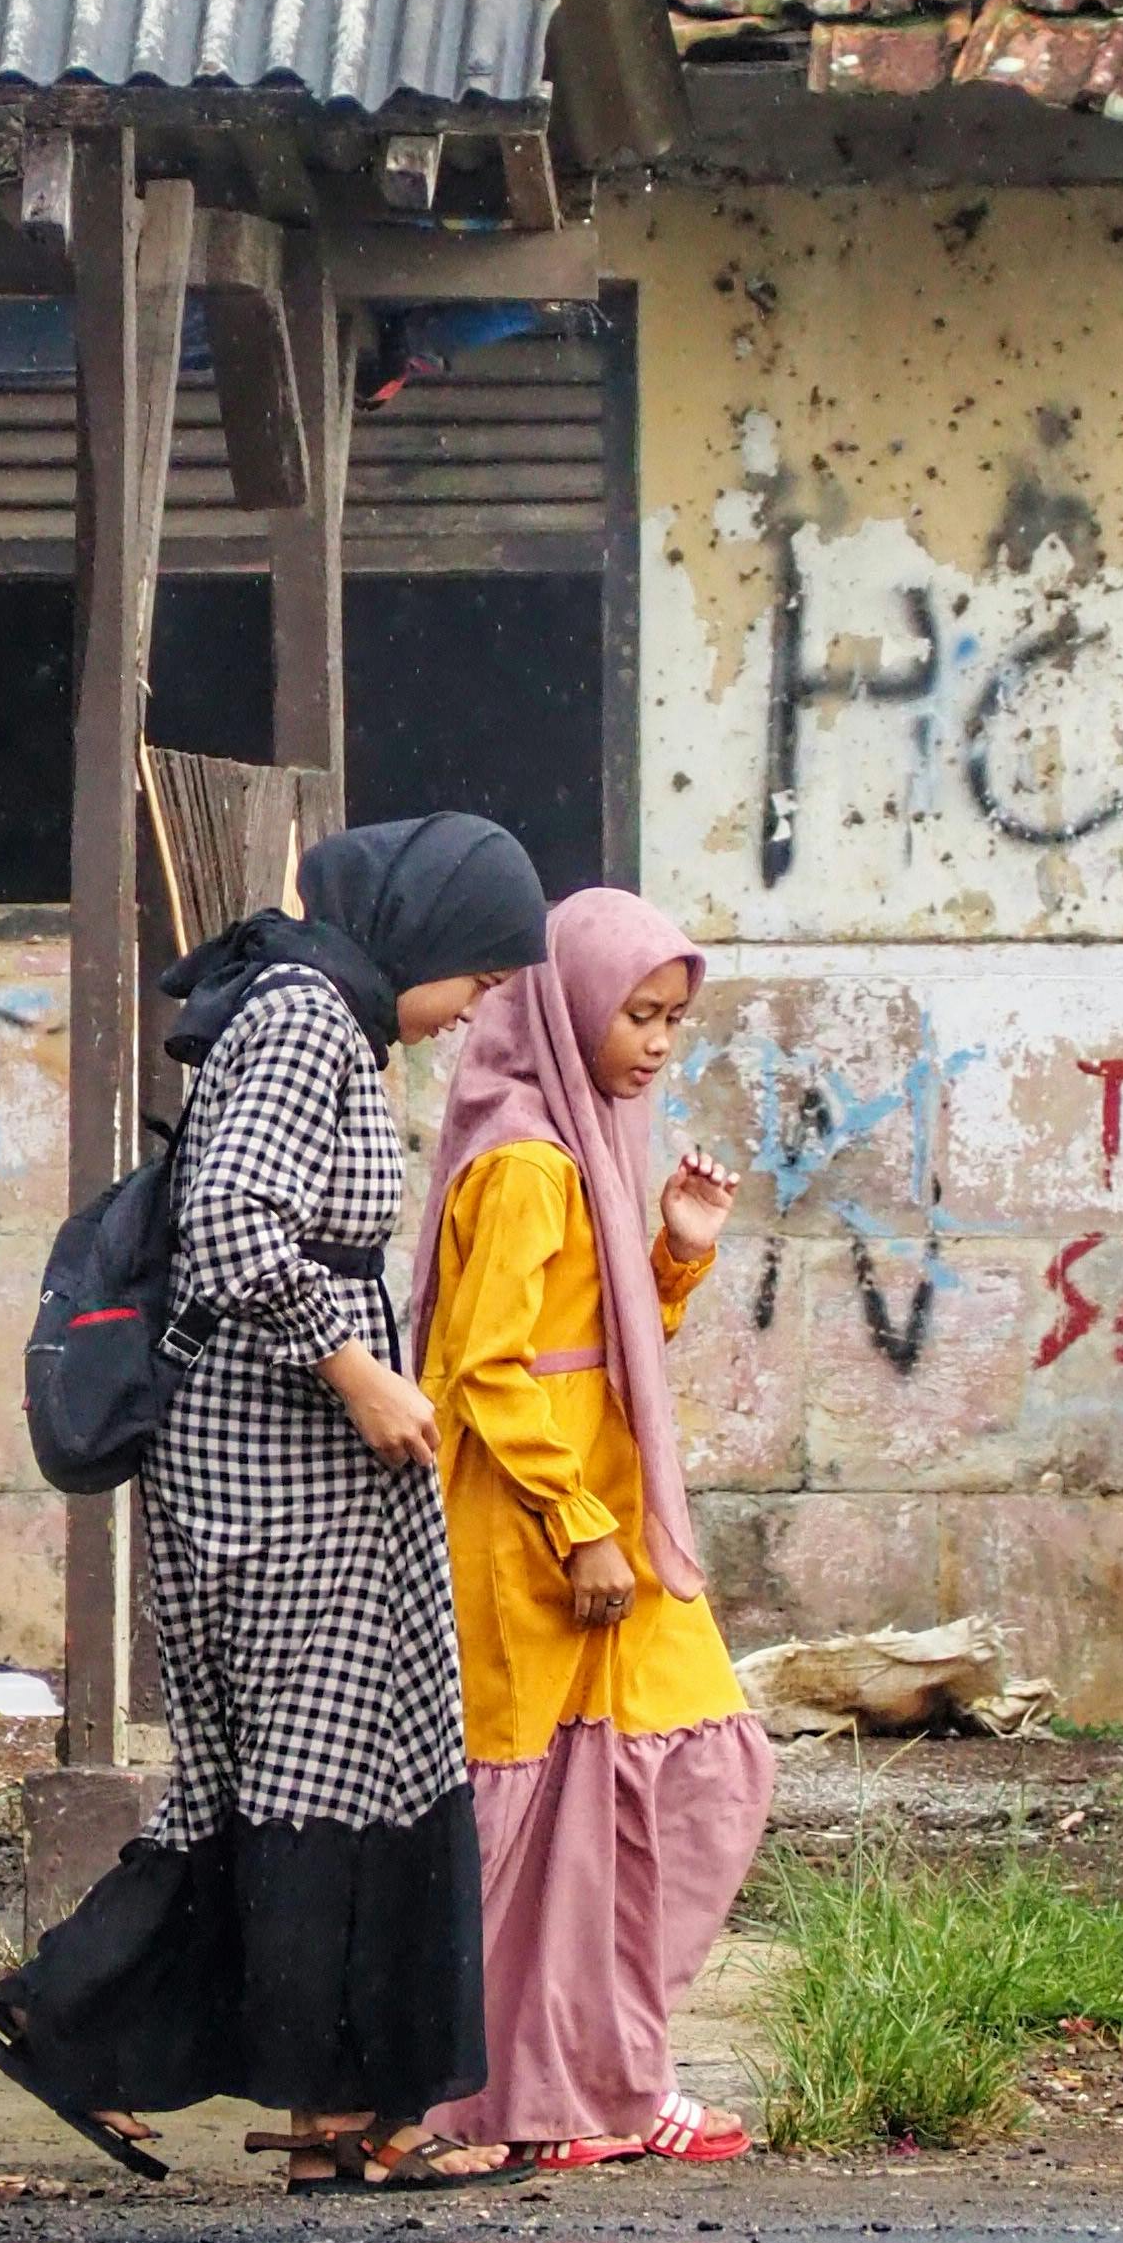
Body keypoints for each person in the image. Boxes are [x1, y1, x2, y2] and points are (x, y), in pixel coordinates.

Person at [0, 813, 552, 2192]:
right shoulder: (306, 1020)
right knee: (315, 1788)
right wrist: (356, 1373)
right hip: (275, 1478)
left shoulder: (325, 1017)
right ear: (422, 932)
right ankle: (314, 2113)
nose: (480, 1008)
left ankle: (206, 2075)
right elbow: (236, 1217)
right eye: (479, 974)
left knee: (293, 1788)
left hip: (279, 1476)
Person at [412, 887, 773, 2169]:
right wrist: (577, 1526)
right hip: (533, 1537)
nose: (658, 1042)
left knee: (688, 1785)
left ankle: (602, 2081)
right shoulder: (523, 1159)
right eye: (638, 1013)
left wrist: (675, 1257)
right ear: (567, 1005)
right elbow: (486, 1369)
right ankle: (534, 2097)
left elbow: (599, 1348)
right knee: (539, 1823)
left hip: (605, 1528)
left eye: (675, 1019)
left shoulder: (588, 1142)